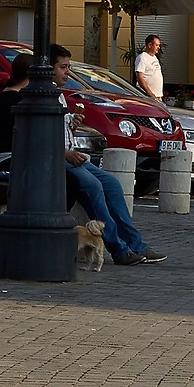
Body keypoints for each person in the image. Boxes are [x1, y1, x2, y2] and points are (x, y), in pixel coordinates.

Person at [52, 47, 163, 266]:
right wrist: (65, 153)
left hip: (72, 155)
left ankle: (136, 244)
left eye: (68, 68)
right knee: (93, 187)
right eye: (62, 67)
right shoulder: (41, 94)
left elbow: (58, 131)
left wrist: (71, 124)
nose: (67, 73)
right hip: (59, 159)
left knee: (111, 184)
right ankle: (119, 249)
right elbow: (39, 140)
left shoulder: (59, 95)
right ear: (48, 68)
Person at [133, 33, 165, 102]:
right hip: (147, 97)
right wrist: (150, 94)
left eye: (159, 45)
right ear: (150, 45)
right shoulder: (142, 58)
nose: (158, 47)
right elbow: (140, 78)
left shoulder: (154, 57)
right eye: (156, 45)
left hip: (157, 96)